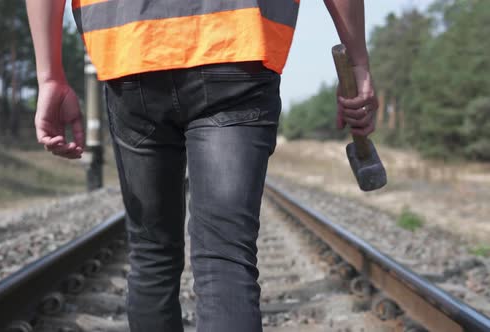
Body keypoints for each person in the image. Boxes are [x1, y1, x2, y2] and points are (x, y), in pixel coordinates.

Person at [25, 1, 378, 331]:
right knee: (225, 257)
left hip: (131, 48)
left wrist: (50, 77)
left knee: (152, 255)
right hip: (236, 43)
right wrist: (358, 60)